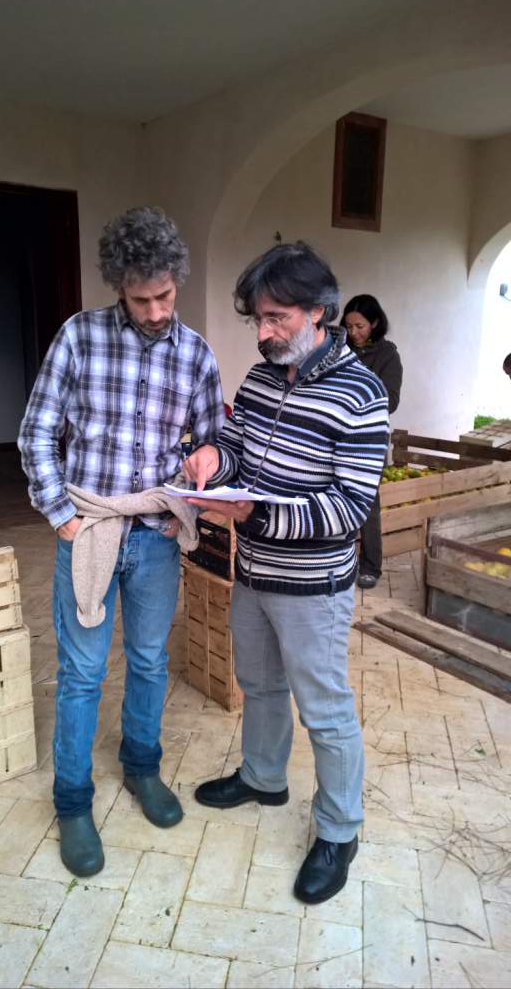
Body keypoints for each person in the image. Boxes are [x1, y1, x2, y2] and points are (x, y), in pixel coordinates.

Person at [18, 206, 226, 877]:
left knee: (149, 661)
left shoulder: (196, 353)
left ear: (176, 281)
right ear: (118, 287)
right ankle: (73, 801)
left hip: (156, 535)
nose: (157, 310)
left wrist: (207, 463)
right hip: (90, 531)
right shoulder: (78, 337)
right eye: (142, 300)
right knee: (82, 673)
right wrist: (62, 516)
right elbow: (36, 433)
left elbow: (213, 439)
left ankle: (142, 767)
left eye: (165, 295)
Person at [183, 242, 389, 905]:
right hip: (253, 572)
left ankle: (339, 830)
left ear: (318, 312)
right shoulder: (261, 376)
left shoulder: (362, 393)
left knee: (324, 710)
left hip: (313, 588)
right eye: (258, 319)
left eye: (277, 318)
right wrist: (213, 458)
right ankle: (264, 778)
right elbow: (238, 448)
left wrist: (257, 515)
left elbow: (349, 507)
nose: (263, 332)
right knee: (260, 685)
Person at [341, 294, 403, 589]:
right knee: (335, 495)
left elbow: (391, 400)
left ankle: (370, 565)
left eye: (360, 326)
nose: (353, 332)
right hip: (336, 433)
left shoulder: (387, 355)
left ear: (375, 323)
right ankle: (340, 559)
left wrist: (356, 391)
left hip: (368, 439)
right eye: (349, 326)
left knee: (367, 502)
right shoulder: (339, 349)